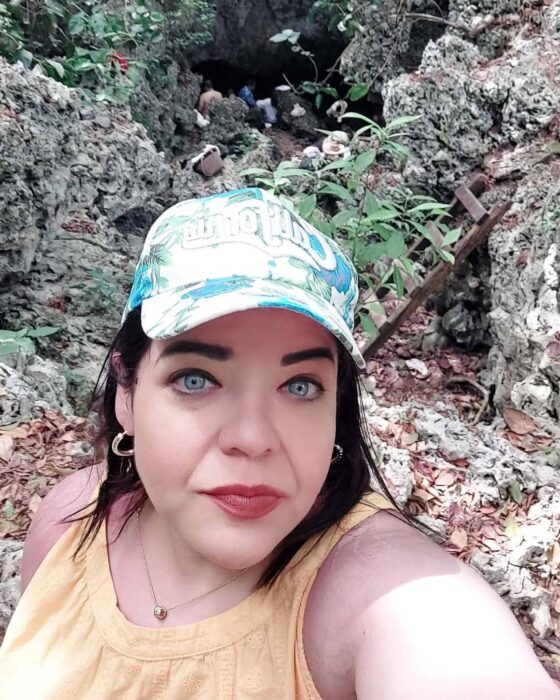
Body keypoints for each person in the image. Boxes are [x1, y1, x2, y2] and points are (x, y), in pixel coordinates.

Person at [0, 188, 558, 699]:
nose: (253, 439)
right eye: (195, 379)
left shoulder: (380, 593)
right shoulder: (67, 528)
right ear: (127, 391)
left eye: (300, 386)